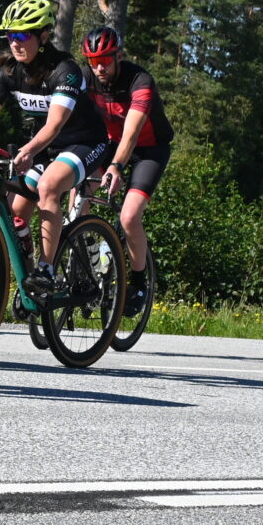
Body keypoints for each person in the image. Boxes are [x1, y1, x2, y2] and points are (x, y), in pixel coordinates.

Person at [0, 0, 110, 299]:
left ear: (43, 36)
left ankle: (47, 269)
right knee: (15, 215)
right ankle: (30, 285)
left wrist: (27, 150)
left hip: (84, 142)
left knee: (50, 186)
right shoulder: (8, 72)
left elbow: (54, 125)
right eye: (10, 36)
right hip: (46, 146)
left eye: (22, 35)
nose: (14, 43)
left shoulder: (65, 71)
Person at [78, 26, 172, 315]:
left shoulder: (139, 80)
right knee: (76, 199)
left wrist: (117, 167)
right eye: (93, 61)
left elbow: (132, 133)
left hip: (149, 149)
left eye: (105, 59)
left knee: (129, 215)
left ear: (118, 56)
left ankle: (138, 282)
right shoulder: (85, 78)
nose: (99, 67)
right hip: (109, 144)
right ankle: (91, 260)